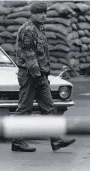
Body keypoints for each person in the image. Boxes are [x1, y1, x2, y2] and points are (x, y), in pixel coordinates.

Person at [13, 2, 76, 152]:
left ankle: (56, 140)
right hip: (30, 75)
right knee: (24, 109)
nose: (43, 15)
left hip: (40, 75)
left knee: (48, 107)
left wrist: (43, 74)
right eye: (40, 13)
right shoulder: (28, 30)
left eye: (45, 13)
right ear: (33, 13)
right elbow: (30, 56)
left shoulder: (40, 28)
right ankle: (17, 141)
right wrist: (38, 75)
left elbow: (41, 54)